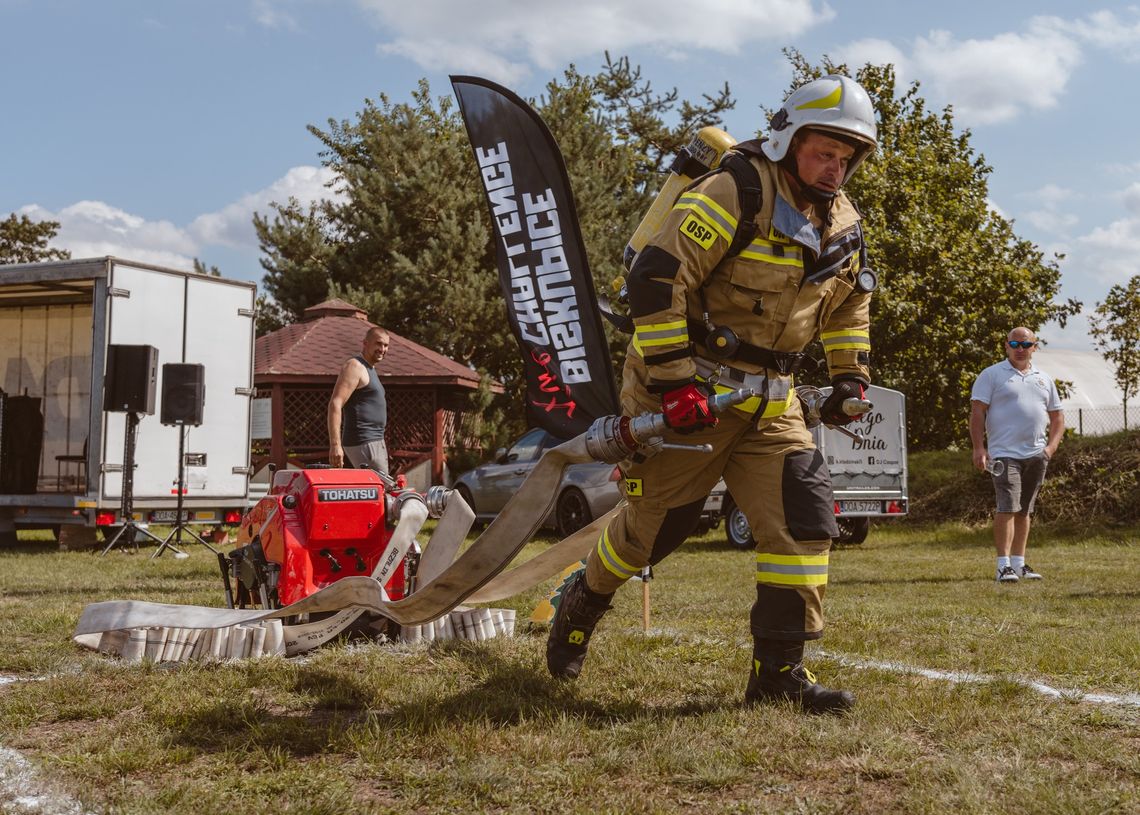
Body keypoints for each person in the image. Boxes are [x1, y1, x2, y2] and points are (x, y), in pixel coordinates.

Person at [546, 75, 880, 714]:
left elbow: (849, 308)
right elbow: (656, 278)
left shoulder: (844, 223)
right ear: (788, 140)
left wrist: (849, 378)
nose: (835, 169)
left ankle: (777, 675)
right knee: (652, 535)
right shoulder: (734, 190)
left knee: (805, 526)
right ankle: (582, 602)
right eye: (823, 153)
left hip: (771, 404)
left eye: (846, 158)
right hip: (686, 391)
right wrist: (674, 383)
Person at [969, 327, 1064, 583]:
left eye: (1026, 344)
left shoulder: (1043, 378)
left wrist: (1050, 448)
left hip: (1036, 454)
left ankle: (1020, 564)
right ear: (1006, 346)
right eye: (1014, 343)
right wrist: (980, 448)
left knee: (1024, 511)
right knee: (1007, 507)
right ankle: (1003, 566)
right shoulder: (991, 375)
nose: (1020, 349)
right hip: (1003, 454)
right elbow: (977, 412)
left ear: (1035, 346)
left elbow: (1057, 416)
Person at [328, 326, 391, 475]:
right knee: (380, 490)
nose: (382, 349)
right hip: (364, 441)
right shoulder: (355, 366)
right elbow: (335, 404)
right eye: (378, 344)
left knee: (379, 491)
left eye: (386, 345)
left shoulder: (370, 368)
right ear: (365, 343)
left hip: (375, 440)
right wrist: (335, 445)